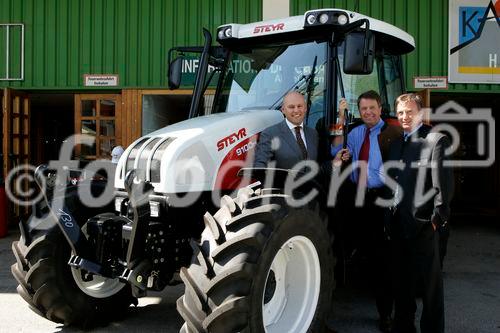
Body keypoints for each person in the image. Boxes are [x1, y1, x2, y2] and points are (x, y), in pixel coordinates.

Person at [332, 90, 402, 333]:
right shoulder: (355, 133)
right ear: (359, 111)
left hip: (381, 200)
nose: (368, 113)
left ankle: (386, 315)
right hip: (356, 199)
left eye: (372, 108)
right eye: (364, 109)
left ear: (380, 108)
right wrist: (341, 119)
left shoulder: (394, 133)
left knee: (382, 259)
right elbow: (335, 152)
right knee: (350, 249)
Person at [387, 93, 453, 333]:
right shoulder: (396, 144)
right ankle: (403, 327)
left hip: (425, 227)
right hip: (398, 227)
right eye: (401, 112)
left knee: (430, 289)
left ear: (421, 113)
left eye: (410, 111)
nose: (405, 116)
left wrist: (437, 220)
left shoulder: (435, 140)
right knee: (402, 285)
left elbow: (443, 187)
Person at [254, 91, 321, 169]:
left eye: (300, 106)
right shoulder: (270, 134)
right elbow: (260, 168)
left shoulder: (313, 134)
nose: (296, 110)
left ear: (305, 108)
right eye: (291, 107)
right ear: (283, 110)